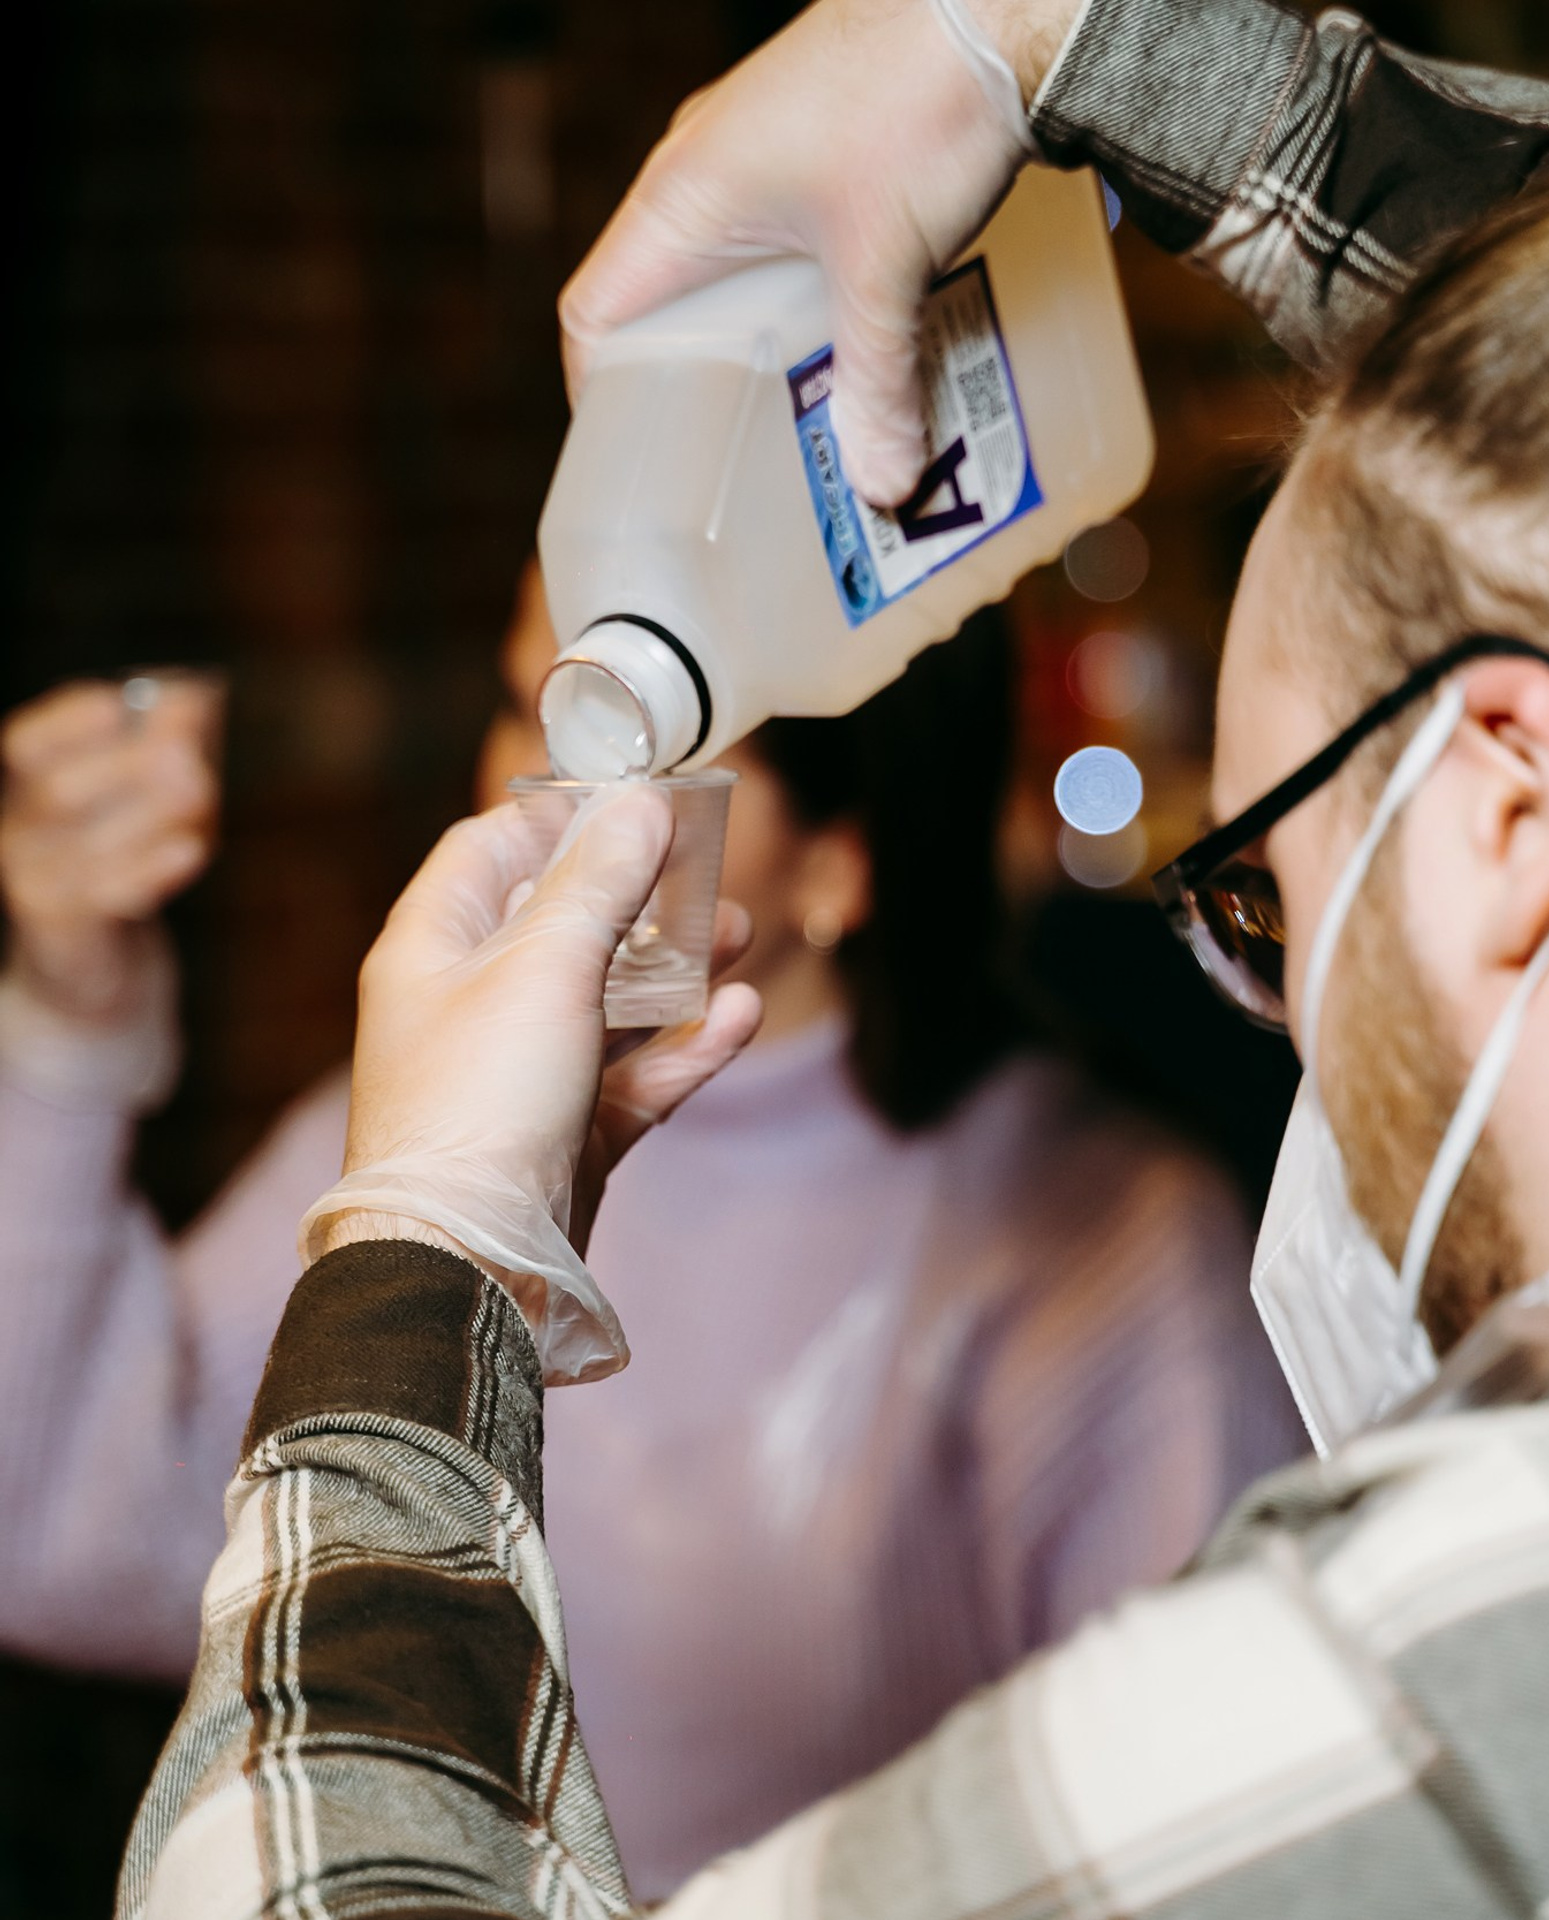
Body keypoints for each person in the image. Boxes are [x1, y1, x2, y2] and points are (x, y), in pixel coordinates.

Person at [113, 0, 1549, 1911]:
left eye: (1268, 894)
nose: (1286, 1006)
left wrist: (427, 1244)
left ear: (1507, 817)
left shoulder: (1491, 1659)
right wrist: (1071, 43)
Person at [0, 577, 1298, 1887]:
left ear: (843, 857)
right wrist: (70, 1005)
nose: (540, 804)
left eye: (641, 746)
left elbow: (1213, 1842)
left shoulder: (1101, 1244)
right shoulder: (420, 1135)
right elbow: (53, 1530)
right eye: (529, 710)